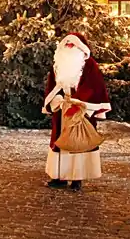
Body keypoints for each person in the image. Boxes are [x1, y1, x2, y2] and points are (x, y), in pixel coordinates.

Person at [43, 33, 111, 191]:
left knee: (79, 141)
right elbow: (52, 84)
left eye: (72, 45)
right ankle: (58, 176)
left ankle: (76, 178)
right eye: (66, 44)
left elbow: (95, 86)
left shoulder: (89, 64)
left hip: (81, 110)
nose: (69, 47)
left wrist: (80, 103)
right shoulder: (57, 64)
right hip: (61, 109)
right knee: (60, 142)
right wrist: (55, 101)